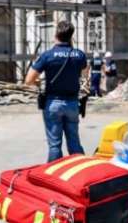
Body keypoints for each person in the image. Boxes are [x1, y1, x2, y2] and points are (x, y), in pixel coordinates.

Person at [25, 20, 89, 162]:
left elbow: (28, 80)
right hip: (72, 104)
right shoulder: (79, 55)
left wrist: (38, 84)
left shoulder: (48, 55)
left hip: (53, 103)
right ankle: (81, 172)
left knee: (55, 145)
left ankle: (54, 177)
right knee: (74, 144)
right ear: (71, 36)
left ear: (56, 35)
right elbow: (85, 75)